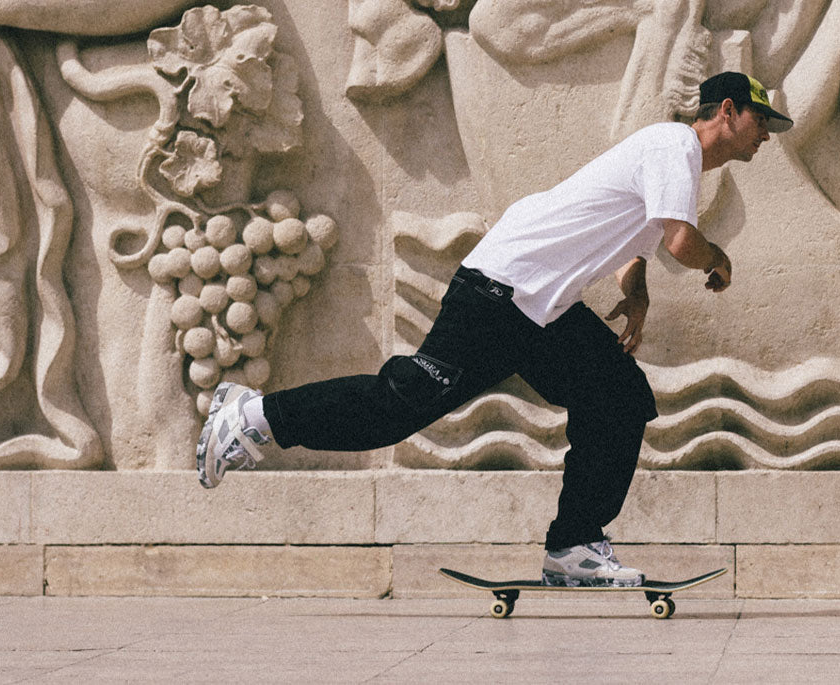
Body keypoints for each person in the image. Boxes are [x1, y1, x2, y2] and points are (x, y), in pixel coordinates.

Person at [195, 71, 792, 587]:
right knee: (399, 406)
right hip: (499, 293)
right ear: (727, 111)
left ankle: (575, 547)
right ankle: (253, 416)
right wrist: (718, 258)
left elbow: (633, 244)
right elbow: (682, 241)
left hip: (539, 311)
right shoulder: (675, 147)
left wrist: (636, 294)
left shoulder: (674, 161)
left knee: (617, 394)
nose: (766, 134)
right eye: (760, 119)